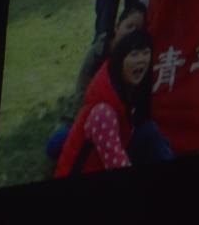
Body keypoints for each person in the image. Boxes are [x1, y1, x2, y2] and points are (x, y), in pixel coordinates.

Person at [55, 29, 173, 178]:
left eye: (146, 53)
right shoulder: (103, 113)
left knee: (149, 131)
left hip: (114, 149)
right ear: (120, 58)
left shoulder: (131, 86)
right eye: (134, 54)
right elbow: (116, 163)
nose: (141, 59)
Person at [45, 2, 149, 159]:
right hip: (86, 115)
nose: (132, 32)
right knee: (55, 145)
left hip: (119, 120)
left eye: (138, 29)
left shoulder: (137, 58)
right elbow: (82, 87)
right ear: (117, 27)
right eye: (129, 26)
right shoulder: (99, 50)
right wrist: (86, 119)